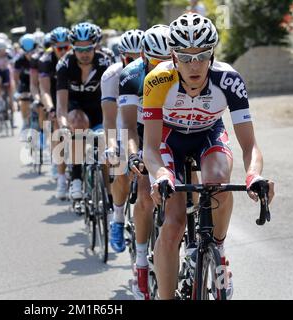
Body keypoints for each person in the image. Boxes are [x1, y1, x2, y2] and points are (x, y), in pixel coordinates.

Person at [142, 13, 275, 300]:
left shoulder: (229, 80)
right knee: (174, 223)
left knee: (218, 181)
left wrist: (254, 175)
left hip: (207, 134)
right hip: (169, 139)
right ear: (173, 56)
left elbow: (249, 145)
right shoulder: (157, 80)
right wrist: (161, 174)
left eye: (203, 55)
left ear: (212, 53)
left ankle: (219, 249)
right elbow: (150, 147)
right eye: (186, 57)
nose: (195, 64)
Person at [117, 25, 172, 300]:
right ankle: (140, 263)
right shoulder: (130, 76)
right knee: (145, 195)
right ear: (142, 55)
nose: (160, 68)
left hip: (172, 131)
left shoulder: (181, 70)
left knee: (195, 189)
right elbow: (127, 126)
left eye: (167, 61)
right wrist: (133, 155)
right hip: (139, 132)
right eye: (154, 62)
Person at [56, 22, 112, 200]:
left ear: (95, 46)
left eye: (89, 48)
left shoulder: (105, 62)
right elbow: (61, 105)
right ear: (73, 48)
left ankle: (110, 202)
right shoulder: (64, 64)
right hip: (75, 107)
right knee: (78, 124)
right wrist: (64, 126)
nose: (84, 53)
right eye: (79, 50)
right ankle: (77, 178)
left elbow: (115, 97)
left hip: (100, 107)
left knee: (106, 152)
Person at [101, 29, 145, 253]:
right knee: (121, 167)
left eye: (140, 57)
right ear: (121, 58)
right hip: (124, 125)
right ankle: (118, 219)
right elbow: (109, 119)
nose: (135, 63)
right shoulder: (112, 76)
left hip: (151, 123)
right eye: (130, 59)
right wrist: (111, 146)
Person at [38, 27, 72, 198]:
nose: (64, 51)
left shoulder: (75, 59)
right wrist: (50, 107)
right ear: (52, 48)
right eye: (60, 48)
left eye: (67, 47)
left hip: (73, 95)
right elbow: (44, 90)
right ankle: (61, 177)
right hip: (53, 95)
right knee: (57, 129)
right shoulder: (45, 60)